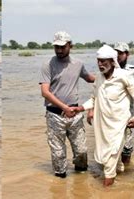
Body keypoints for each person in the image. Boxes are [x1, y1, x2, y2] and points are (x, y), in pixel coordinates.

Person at [78, 45, 134, 186]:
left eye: (104, 61)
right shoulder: (99, 78)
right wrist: (79, 108)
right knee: (105, 161)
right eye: (98, 61)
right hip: (103, 128)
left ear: (112, 61)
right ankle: (122, 184)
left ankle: (106, 190)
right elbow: (94, 98)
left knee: (109, 164)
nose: (100, 64)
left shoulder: (124, 76)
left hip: (119, 128)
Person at [39, 31, 95, 178]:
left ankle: (81, 183)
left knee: (82, 152)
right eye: (56, 47)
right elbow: (45, 92)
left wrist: (111, 74)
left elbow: (90, 79)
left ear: (71, 46)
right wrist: (64, 107)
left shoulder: (78, 64)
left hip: (75, 114)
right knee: (58, 155)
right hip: (54, 115)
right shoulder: (48, 65)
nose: (59, 50)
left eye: (62, 47)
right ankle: (60, 181)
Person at [113, 42, 134, 167]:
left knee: (127, 148)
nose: (117, 56)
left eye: (120, 53)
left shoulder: (133, 71)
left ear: (127, 54)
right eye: (116, 53)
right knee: (111, 148)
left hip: (126, 115)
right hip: (110, 115)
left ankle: (126, 173)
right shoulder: (108, 69)